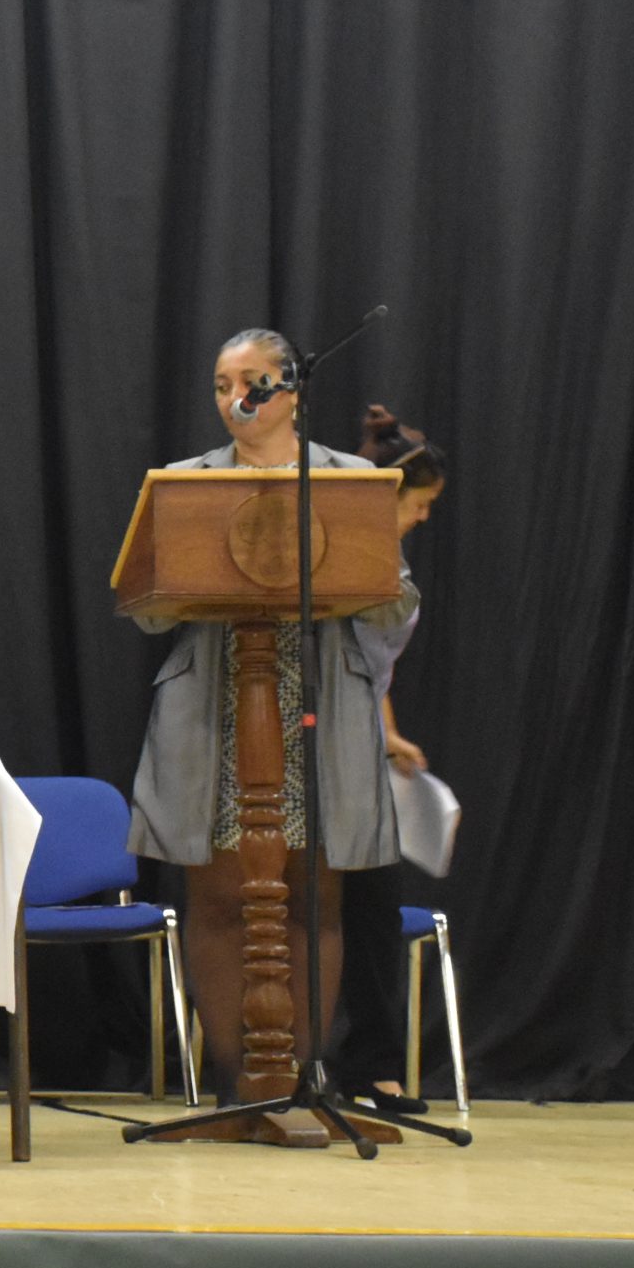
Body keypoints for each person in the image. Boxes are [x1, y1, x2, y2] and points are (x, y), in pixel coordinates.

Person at [124, 333, 418, 1104]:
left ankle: (298, 1080)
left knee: (312, 904)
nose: (234, 399)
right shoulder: (186, 483)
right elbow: (147, 611)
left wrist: (363, 573)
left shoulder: (350, 481)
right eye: (221, 385)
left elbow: (396, 603)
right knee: (221, 902)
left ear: (291, 390)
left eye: (250, 382)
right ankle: (243, 1085)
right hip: (216, 710)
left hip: (317, 710)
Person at [332, 405, 449, 1115]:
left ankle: (372, 1065)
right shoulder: (345, 551)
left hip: (361, 740)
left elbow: (375, 669)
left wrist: (390, 733)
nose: (426, 517)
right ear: (389, 498)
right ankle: (315, 1062)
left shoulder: (391, 560)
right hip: (321, 743)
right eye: (421, 504)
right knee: (342, 904)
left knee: (375, 903)